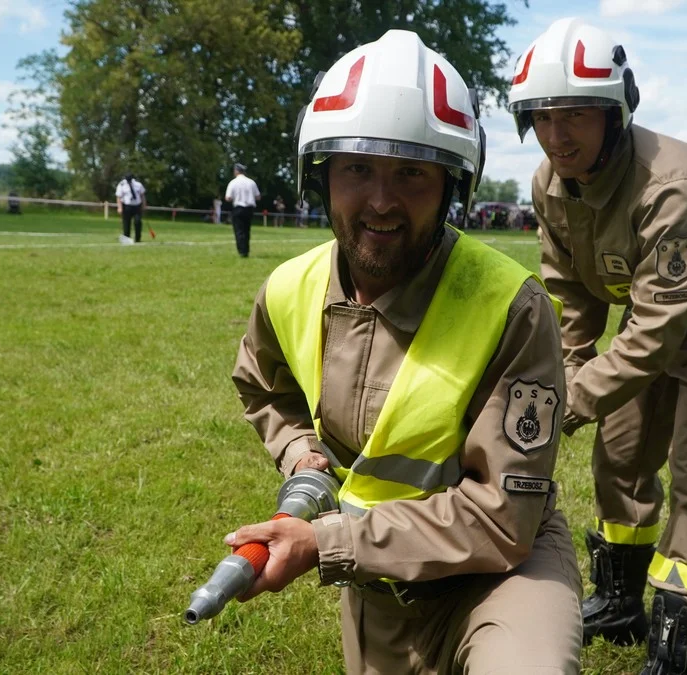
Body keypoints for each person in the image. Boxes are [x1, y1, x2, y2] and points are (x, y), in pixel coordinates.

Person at [227, 30, 583, 674]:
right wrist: (303, 457)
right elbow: (262, 387)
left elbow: (504, 519)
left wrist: (325, 541)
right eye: (358, 168)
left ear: (452, 187)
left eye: (412, 173)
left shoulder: (510, 306)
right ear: (323, 176)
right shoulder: (289, 290)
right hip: (381, 587)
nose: (382, 202)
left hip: (503, 574)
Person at [508, 19, 687, 673]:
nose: (556, 136)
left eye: (575, 114)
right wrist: (566, 373)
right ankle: (618, 601)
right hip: (652, 308)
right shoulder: (548, 184)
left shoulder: (675, 184)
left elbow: (658, 334)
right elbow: (571, 295)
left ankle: (674, 645)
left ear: (616, 110)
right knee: (621, 454)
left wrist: (568, 403)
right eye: (541, 117)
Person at [225, 163, 261, 257]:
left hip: (238, 208)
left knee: (239, 230)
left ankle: (242, 251)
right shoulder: (251, 182)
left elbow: (228, 197)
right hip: (249, 209)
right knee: (246, 230)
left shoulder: (233, 182)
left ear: (236, 171)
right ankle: (246, 250)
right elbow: (258, 197)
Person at [115, 173, 146, 244]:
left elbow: (142, 195)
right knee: (126, 223)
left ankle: (138, 239)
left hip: (137, 206)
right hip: (126, 206)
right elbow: (119, 197)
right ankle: (127, 239)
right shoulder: (121, 185)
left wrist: (144, 205)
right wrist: (119, 207)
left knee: (138, 222)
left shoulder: (138, 185)